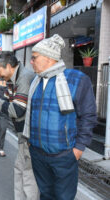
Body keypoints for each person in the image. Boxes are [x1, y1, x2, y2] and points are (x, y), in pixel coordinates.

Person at [23, 34, 97, 200]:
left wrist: (78, 148)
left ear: (49, 58)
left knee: (64, 197)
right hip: (38, 154)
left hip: (64, 155)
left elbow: (88, 116)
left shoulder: (76, 79)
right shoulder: (36, 81)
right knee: (46, 195)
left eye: (34, 58)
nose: (31, 61)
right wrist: (31, 143)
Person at [0, 52, 39, 200]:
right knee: (20, 168)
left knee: (27, 172)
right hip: (22, 131)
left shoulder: (24, 78)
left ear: (9, 66)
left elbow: (17, 110)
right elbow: (8, 101)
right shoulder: (13, 79)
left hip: (28, 132)